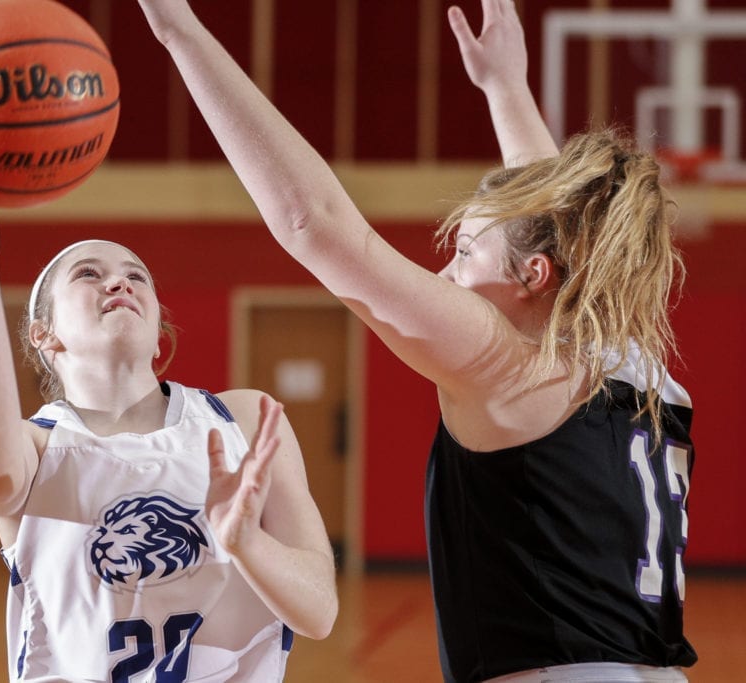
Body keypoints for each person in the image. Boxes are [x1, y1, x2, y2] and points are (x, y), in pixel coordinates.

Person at [135, 0, 696, 681]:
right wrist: (505, 88)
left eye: (463, 252)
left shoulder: (512, 366)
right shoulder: (635, 358)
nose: (442, 272)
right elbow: (561, 231)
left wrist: (179, 30)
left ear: (532, 278)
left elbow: (312, 221)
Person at [0, 107, 337, 681]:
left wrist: (247, 541)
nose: (119, 280)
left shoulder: (245, 419)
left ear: (158, 336)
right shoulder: (36, 449)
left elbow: (320, 612)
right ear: (44, 334)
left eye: (138, 275)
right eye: (88, 273)